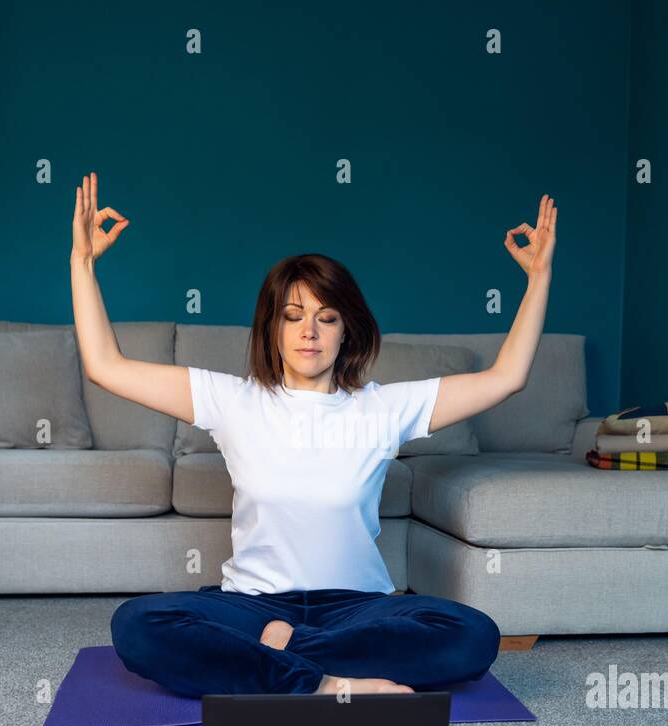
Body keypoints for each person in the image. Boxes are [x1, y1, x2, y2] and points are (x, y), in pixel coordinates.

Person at [69, 172, 557, 697]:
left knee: (472, 636)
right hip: (252, 605)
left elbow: (507, 378)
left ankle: (278, 659)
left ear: (346, 330)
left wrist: (538, 279)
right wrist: (82, 263)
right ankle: (326, 683)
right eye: (294, 316)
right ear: (272, 328)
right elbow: (105, 365)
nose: (309, 332)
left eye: (326, 318)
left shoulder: (385, 407)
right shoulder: (231, 399)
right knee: (138, 624)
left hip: (357, 608)